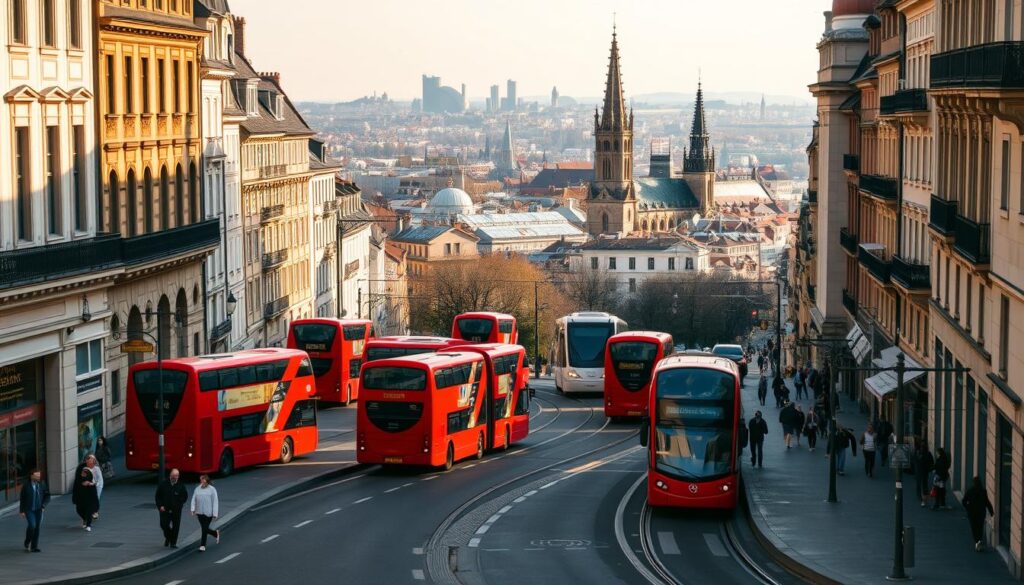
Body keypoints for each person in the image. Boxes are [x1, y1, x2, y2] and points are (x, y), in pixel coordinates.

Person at [155, 468, 188, 548]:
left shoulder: (181, 485)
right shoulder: (163, 484)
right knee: (164, 525)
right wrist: (160, 506)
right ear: (170, 475)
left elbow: (185, 496)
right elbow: (158, 496)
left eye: (176, 476)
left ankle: (173, 543)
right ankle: (169, 537)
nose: (175, 478)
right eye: (173, 476)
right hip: (165, 509)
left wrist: (180, 503)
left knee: (176, 526)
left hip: (176, 510)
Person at [19, 469, 49, 552]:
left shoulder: (41, 484)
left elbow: (47, 496)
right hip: (29, 510)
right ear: (31, 476)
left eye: (39, 475)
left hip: (38, 510)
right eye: (36, 475)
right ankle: (27, 541)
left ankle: (34, 547)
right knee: (32, 525)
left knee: (37, 527)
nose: (38, 477)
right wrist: (21, 511)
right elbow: (22, 498)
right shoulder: (26, 485)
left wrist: (43, 506)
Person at [962, 476, 994, 552]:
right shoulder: (983, 491)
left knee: (974, 527)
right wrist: (991, 511)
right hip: (981, 512)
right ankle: (979, 540)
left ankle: (977, 541)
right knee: (980, 527)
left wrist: (968, 507)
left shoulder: (970, 491)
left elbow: (964, 501)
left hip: (972, 513)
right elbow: (987, 502)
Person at [190, 474, 221, 552]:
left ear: (207, 481)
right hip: (199, 512)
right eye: (201, 480)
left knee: (204, 529)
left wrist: (215, 513)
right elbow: (194, 499)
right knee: (205, 528)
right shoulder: (197, 489)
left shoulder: (212, 489)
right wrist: (193, 509)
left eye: (203, 481)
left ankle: (203, 545)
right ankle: (215, 533)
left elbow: (215, 501)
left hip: (208, 513)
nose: (202, 482)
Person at [71, 464, 98, 531]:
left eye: (85, 473)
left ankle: (88, 525)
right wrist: (74, 499)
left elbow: (94, 492)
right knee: (79, 510)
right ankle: (85, 519)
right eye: (82, 472)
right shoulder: (77, 480)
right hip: (80, 499)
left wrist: (90, 484)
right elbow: (75, 489)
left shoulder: (90, 480)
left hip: (89, 499)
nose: (83, 473)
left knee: (89, 511)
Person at [914, 440, 935, 507]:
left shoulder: (924, 453)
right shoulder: (922, 453)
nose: (922, 447)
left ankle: (923, 499)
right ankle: (922, 498)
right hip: (921, 471)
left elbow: (931, 463)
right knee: (922, 485)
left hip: (921, 471)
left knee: (922, 485)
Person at [86, 454, 104, 519]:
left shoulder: (97, 469)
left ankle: (95, 512)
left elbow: (99, 479)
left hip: (98, 485)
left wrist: (96, 484)